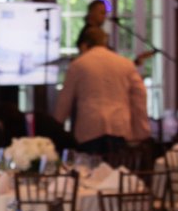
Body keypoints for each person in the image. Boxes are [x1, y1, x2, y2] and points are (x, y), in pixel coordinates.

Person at [52, 27, 148, 158]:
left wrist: (55, 129)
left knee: (89, 173)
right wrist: (141, 131)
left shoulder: (78, 64)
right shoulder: (126, 64)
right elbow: (139, 97)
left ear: (84, 45)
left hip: (89, 128)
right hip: (120, 126)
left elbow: (64, 102)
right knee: (117, 172)